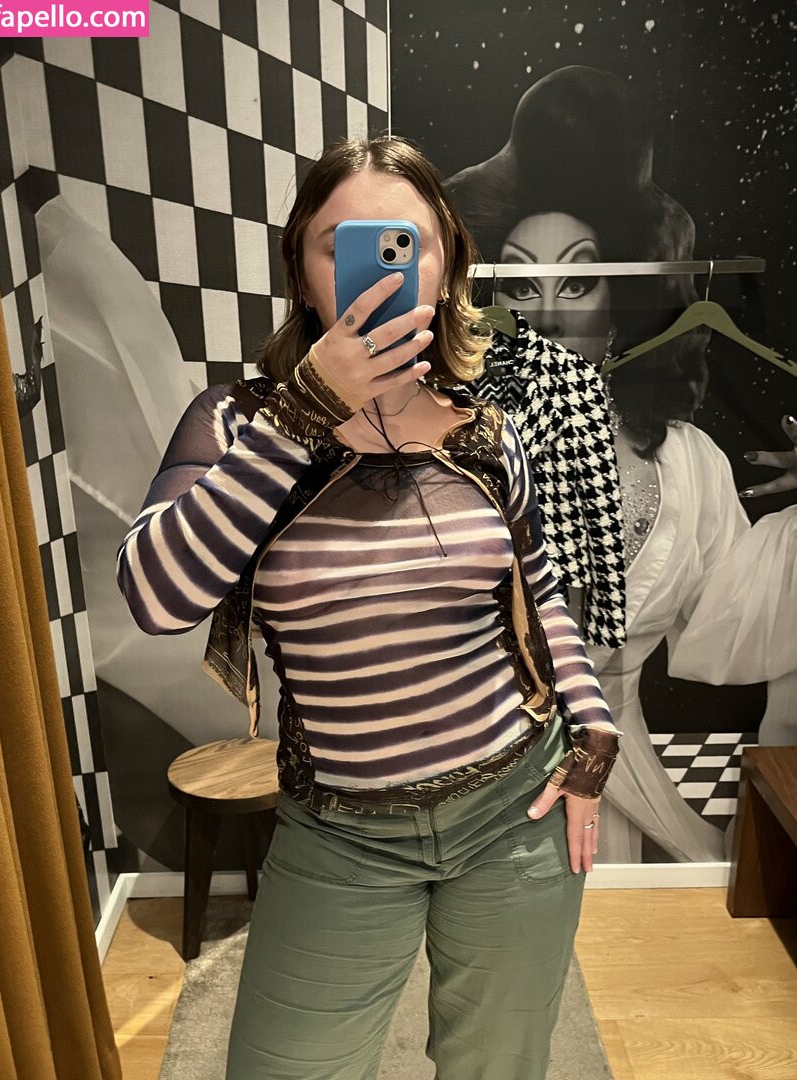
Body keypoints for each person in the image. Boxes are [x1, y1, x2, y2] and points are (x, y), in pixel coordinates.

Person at [116, 136, 623, 1080]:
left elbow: (542, 586)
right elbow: (155, 595)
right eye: (342, 244)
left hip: (515, 813)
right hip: (339, 834)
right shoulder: (237, 425)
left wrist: (593, 729)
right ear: (305, 274)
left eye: (408, 243)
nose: (382, 270)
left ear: (446, 266)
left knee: (498, 1065)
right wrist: (306, 410)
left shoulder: (486, 430)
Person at [446, 67, 797, 863]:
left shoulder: (689, 464)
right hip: (466, 789)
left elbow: (738, 617)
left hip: (616, 792)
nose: (546, 313)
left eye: (577, 278)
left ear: (620, 302)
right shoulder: (449, 444)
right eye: (520, 281)